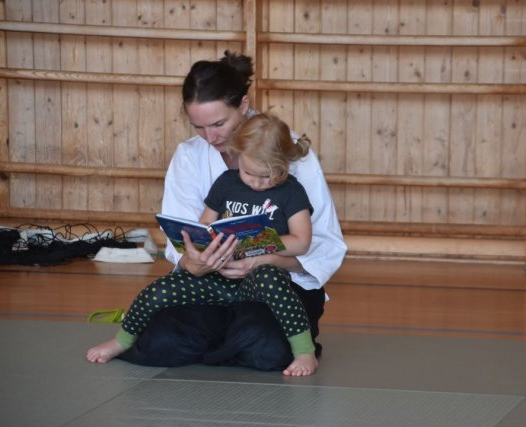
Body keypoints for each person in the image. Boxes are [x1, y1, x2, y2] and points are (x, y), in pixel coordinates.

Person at [89, 51, 346, 373]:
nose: (210, 137)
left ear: (243, 105)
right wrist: (193, 261)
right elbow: (187, 236)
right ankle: (226, 340)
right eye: (198, 127)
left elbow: (323, 243)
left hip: (275, 283)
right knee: (162, 340)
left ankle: (243, 341)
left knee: (265, 346)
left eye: (218, 124)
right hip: (212, 282)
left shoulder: (286, 151)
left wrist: (265, 260)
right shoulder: (190, 157)